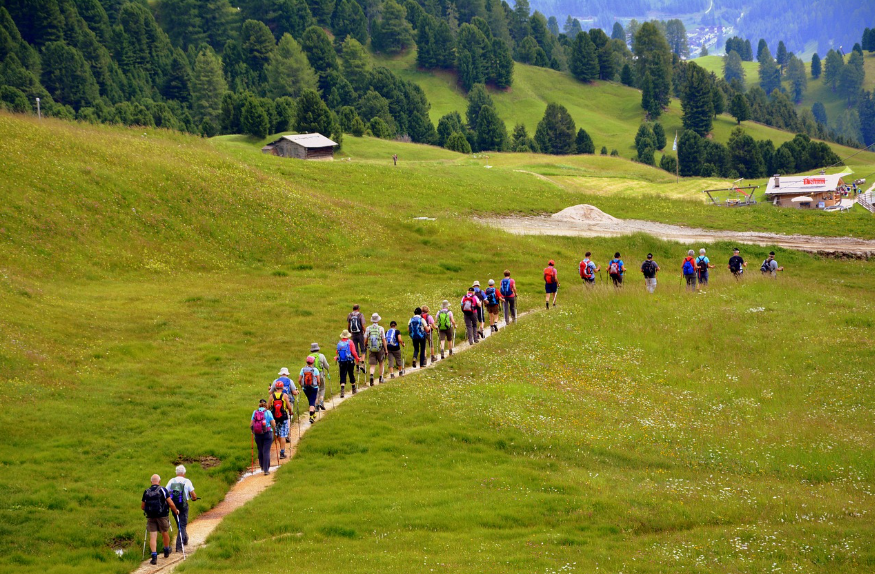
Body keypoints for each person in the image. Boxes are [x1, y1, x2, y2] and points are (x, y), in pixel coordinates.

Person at [142, 474, 179, 565]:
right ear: (159, 481)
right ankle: (166, 549)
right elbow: (171, 503)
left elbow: (142, 506)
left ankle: (154, 556)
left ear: (151, 482)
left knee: (153, 536)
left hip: (150, 516)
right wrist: (176, 511)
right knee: (164, 532)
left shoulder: (146, 491)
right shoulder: (163, 490)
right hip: (162, 516)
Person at [166, 466, 197, 554]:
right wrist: (193, 498)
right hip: (183, 505)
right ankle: (179, 546)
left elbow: (166, 492)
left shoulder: (172, 481)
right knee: (182, 525)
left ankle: (185, 539)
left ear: (176, 472)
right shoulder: (187, 481)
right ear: (184, 473)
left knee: (180, 524)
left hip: (173, 506)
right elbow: (194, 495)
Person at [250, 399, 276, 475]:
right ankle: (266, 469)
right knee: (266, 451)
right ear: (266, 406)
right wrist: (274, 426)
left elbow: (251, 424)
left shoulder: (255, 412)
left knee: (260, 450)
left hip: (257, 434)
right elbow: (273, 424)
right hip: (267, 433)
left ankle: (261, 466)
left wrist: (252, 431)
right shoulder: (268, 412)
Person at [269, 381, 293, 458]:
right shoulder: (285, 395)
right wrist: (290, 412)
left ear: (276, 388)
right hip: (283, 417)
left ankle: (280, 446)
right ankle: (282, 452)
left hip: (275, 418)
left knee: (278, 434)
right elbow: (289, 407)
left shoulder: (272, 396)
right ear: (282, 388)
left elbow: (268, 407)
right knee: (283, 435)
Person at [335, 330, 361, 397]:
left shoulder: (339, 343)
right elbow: (353, 352)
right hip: (349, 361)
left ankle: (342, 391)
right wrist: (357, 358)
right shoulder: (350, 342)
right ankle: (353, 389)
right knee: (351, 374)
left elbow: (337, 352)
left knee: (343, 375)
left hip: (342, 361)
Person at [365, 313, 387, 385]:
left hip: (371, 349)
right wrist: (386, 350)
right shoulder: (381, 328)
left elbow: (366, 339)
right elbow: (383, 340)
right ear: (378, 320)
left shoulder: (368, 328)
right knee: (381, 363)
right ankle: (381, 378)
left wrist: (365, 346)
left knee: (372, 365)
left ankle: (371, 375)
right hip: (380, 348)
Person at [299, 357, 321, 424]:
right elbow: (318, 380)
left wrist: (301, 385)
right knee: (312, 401)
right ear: (313, 362)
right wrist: (318, 384)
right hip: (314, 387)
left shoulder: (302, 369)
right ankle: (311, 417)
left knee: (310, 400)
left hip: (305, 388)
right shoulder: (315, 370)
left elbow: (299, 380)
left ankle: (313, 413)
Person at [309, 343, 330, 411]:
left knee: (315, 389)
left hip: (312, 376)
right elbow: (326, 366)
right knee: (322, 388)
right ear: (318, 349)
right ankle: (321, 401)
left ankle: (316, 405)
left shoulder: (309, 356)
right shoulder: (321, 356)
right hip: (321, 375)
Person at [347, 305, 366, 373]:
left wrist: (350, 331)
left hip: (353, 334)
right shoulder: (360, 315)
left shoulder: (350, 315)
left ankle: (357, 366)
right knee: (363, 349)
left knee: (355, 350)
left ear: (353, 309)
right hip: (360, 334)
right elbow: (362, 325)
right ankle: (362, 364)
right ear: (358, 309)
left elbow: (349, 325)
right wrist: (365, 332)